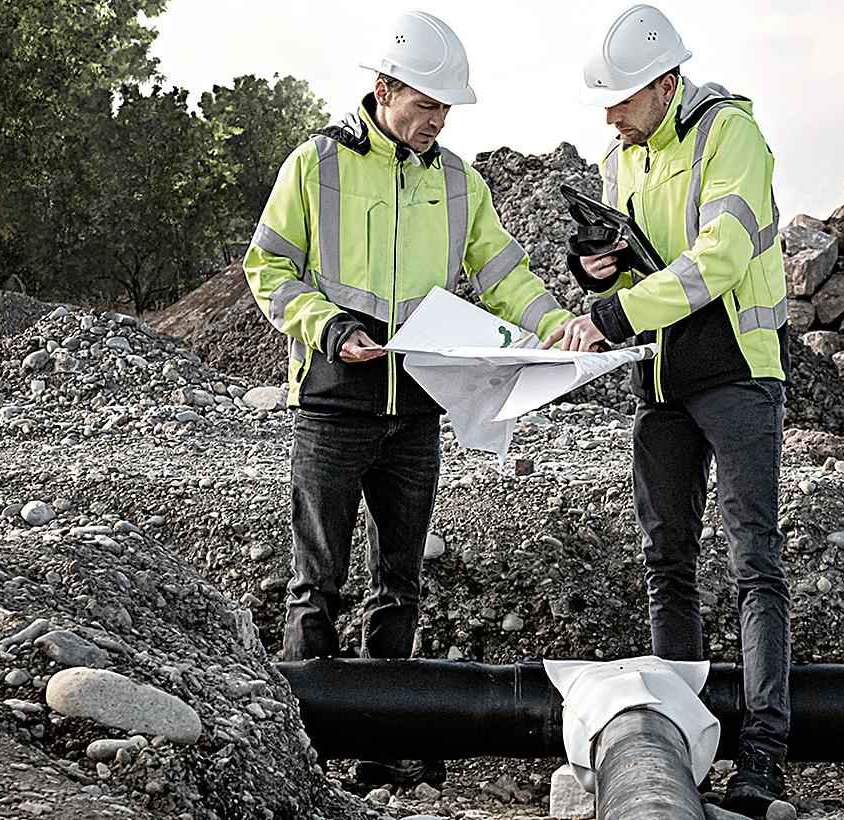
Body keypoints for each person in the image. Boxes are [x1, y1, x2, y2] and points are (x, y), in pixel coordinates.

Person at [243, 10, 572, 786]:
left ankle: (378, 748)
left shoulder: (459, 180)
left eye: (446, 110)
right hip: (333, 400)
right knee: (314, 580)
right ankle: (304, 749)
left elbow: (503, 272)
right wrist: (327, 326)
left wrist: (557, 325)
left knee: (400, 578)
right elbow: (267, 268)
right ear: (384, 89)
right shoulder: (316, 164)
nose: (436, 121)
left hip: (418, 406)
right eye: (425, 105)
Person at [543, 4, 792, 814]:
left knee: (753, 560)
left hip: (737, 374)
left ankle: (763, 757)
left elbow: (719, 255)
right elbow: (629, 272)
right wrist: (597, 270)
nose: (609, 117)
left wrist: (611, 315)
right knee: (665, 563)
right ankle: (674, 742)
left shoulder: (731, 136)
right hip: (659, 380)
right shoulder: (624, 156)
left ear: (663, 83)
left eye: (619, 99)